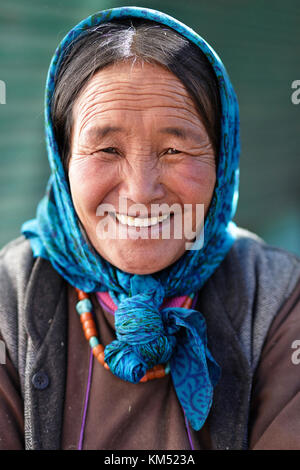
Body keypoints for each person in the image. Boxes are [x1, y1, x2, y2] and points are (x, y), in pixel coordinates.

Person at [0, 6, 300, 451]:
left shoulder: (277, 296)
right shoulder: (12, 293)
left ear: (222, 156)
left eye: (175, 149)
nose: (141, 193)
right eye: (106, 149)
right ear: (62, 162)